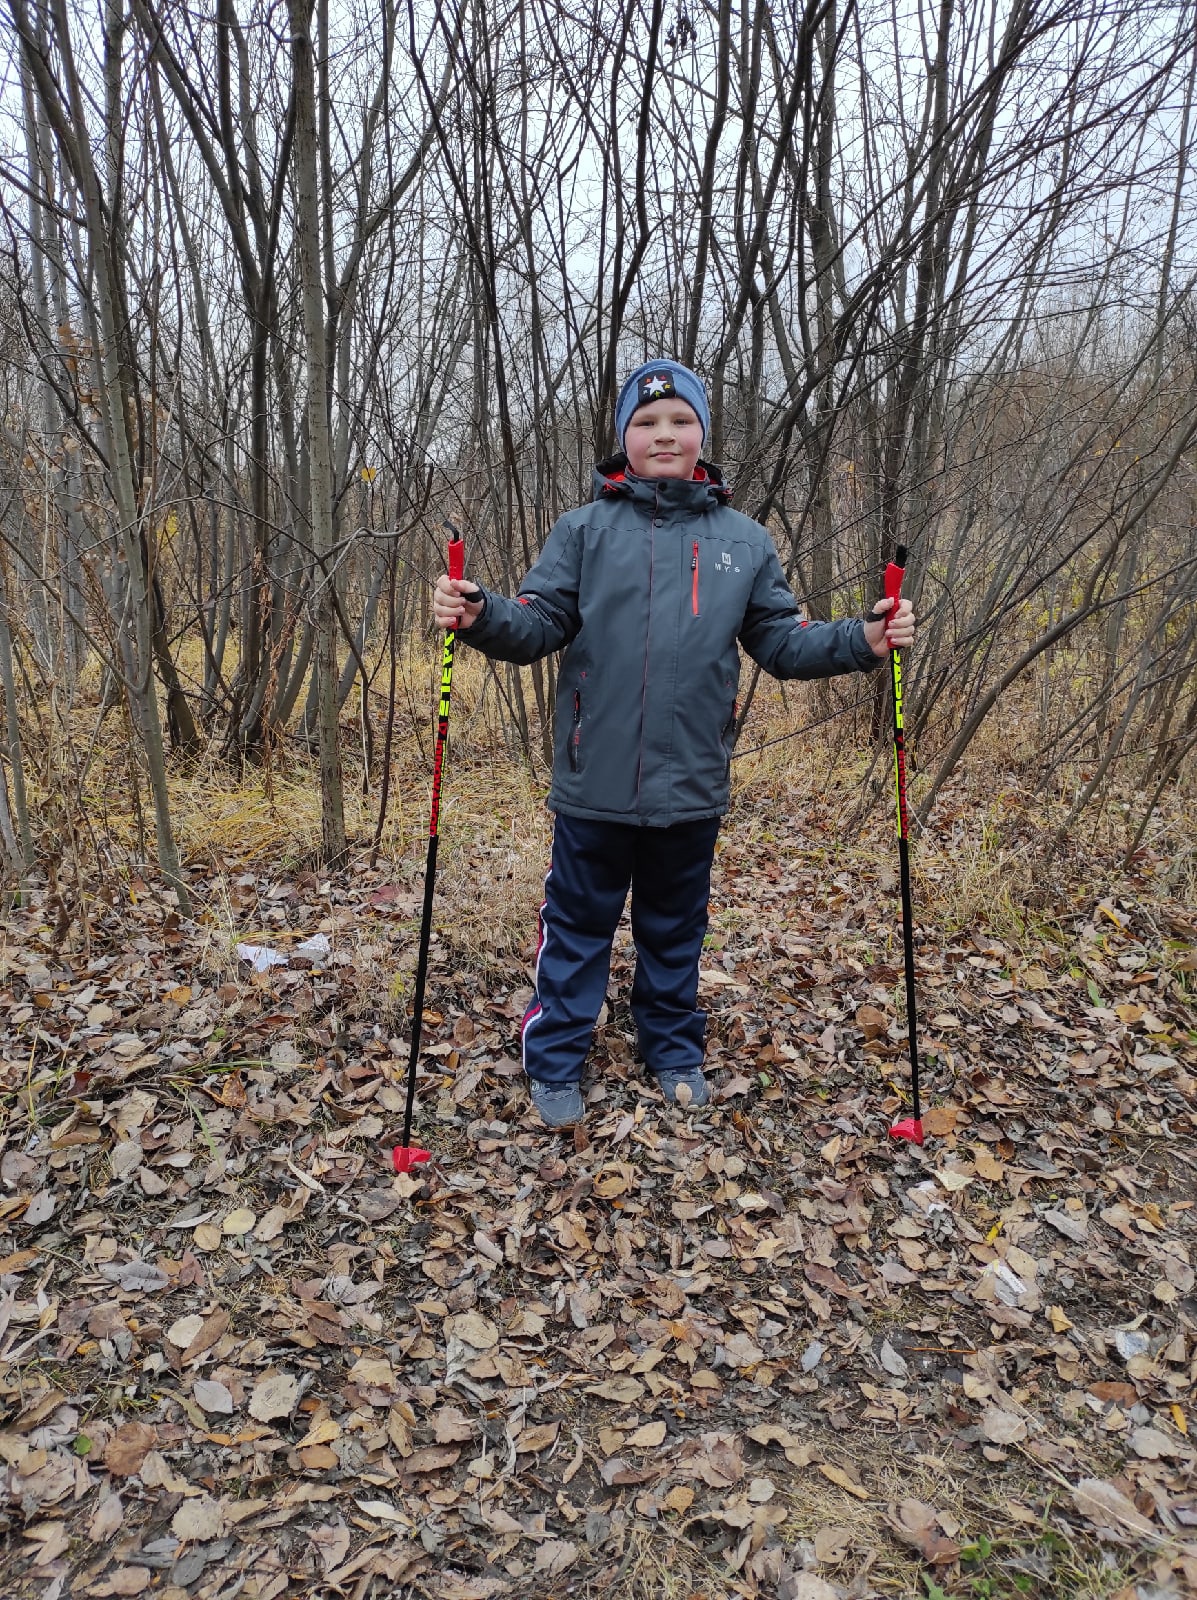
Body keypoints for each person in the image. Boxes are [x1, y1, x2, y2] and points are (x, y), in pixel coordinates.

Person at [433, 359, 915, 1128]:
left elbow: (783, 642)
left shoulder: (743, 542)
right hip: (593, 781)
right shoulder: (582, 531)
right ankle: (554, 1057)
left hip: (691, 783)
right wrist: (479, 613)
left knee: (674, 929)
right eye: (647, 422)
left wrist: (864, 639)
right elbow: (536, 625)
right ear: (623, 437)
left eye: (680, 421)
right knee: (576, 928)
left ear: (702, 435)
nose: (664, 434)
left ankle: (671, 1049)